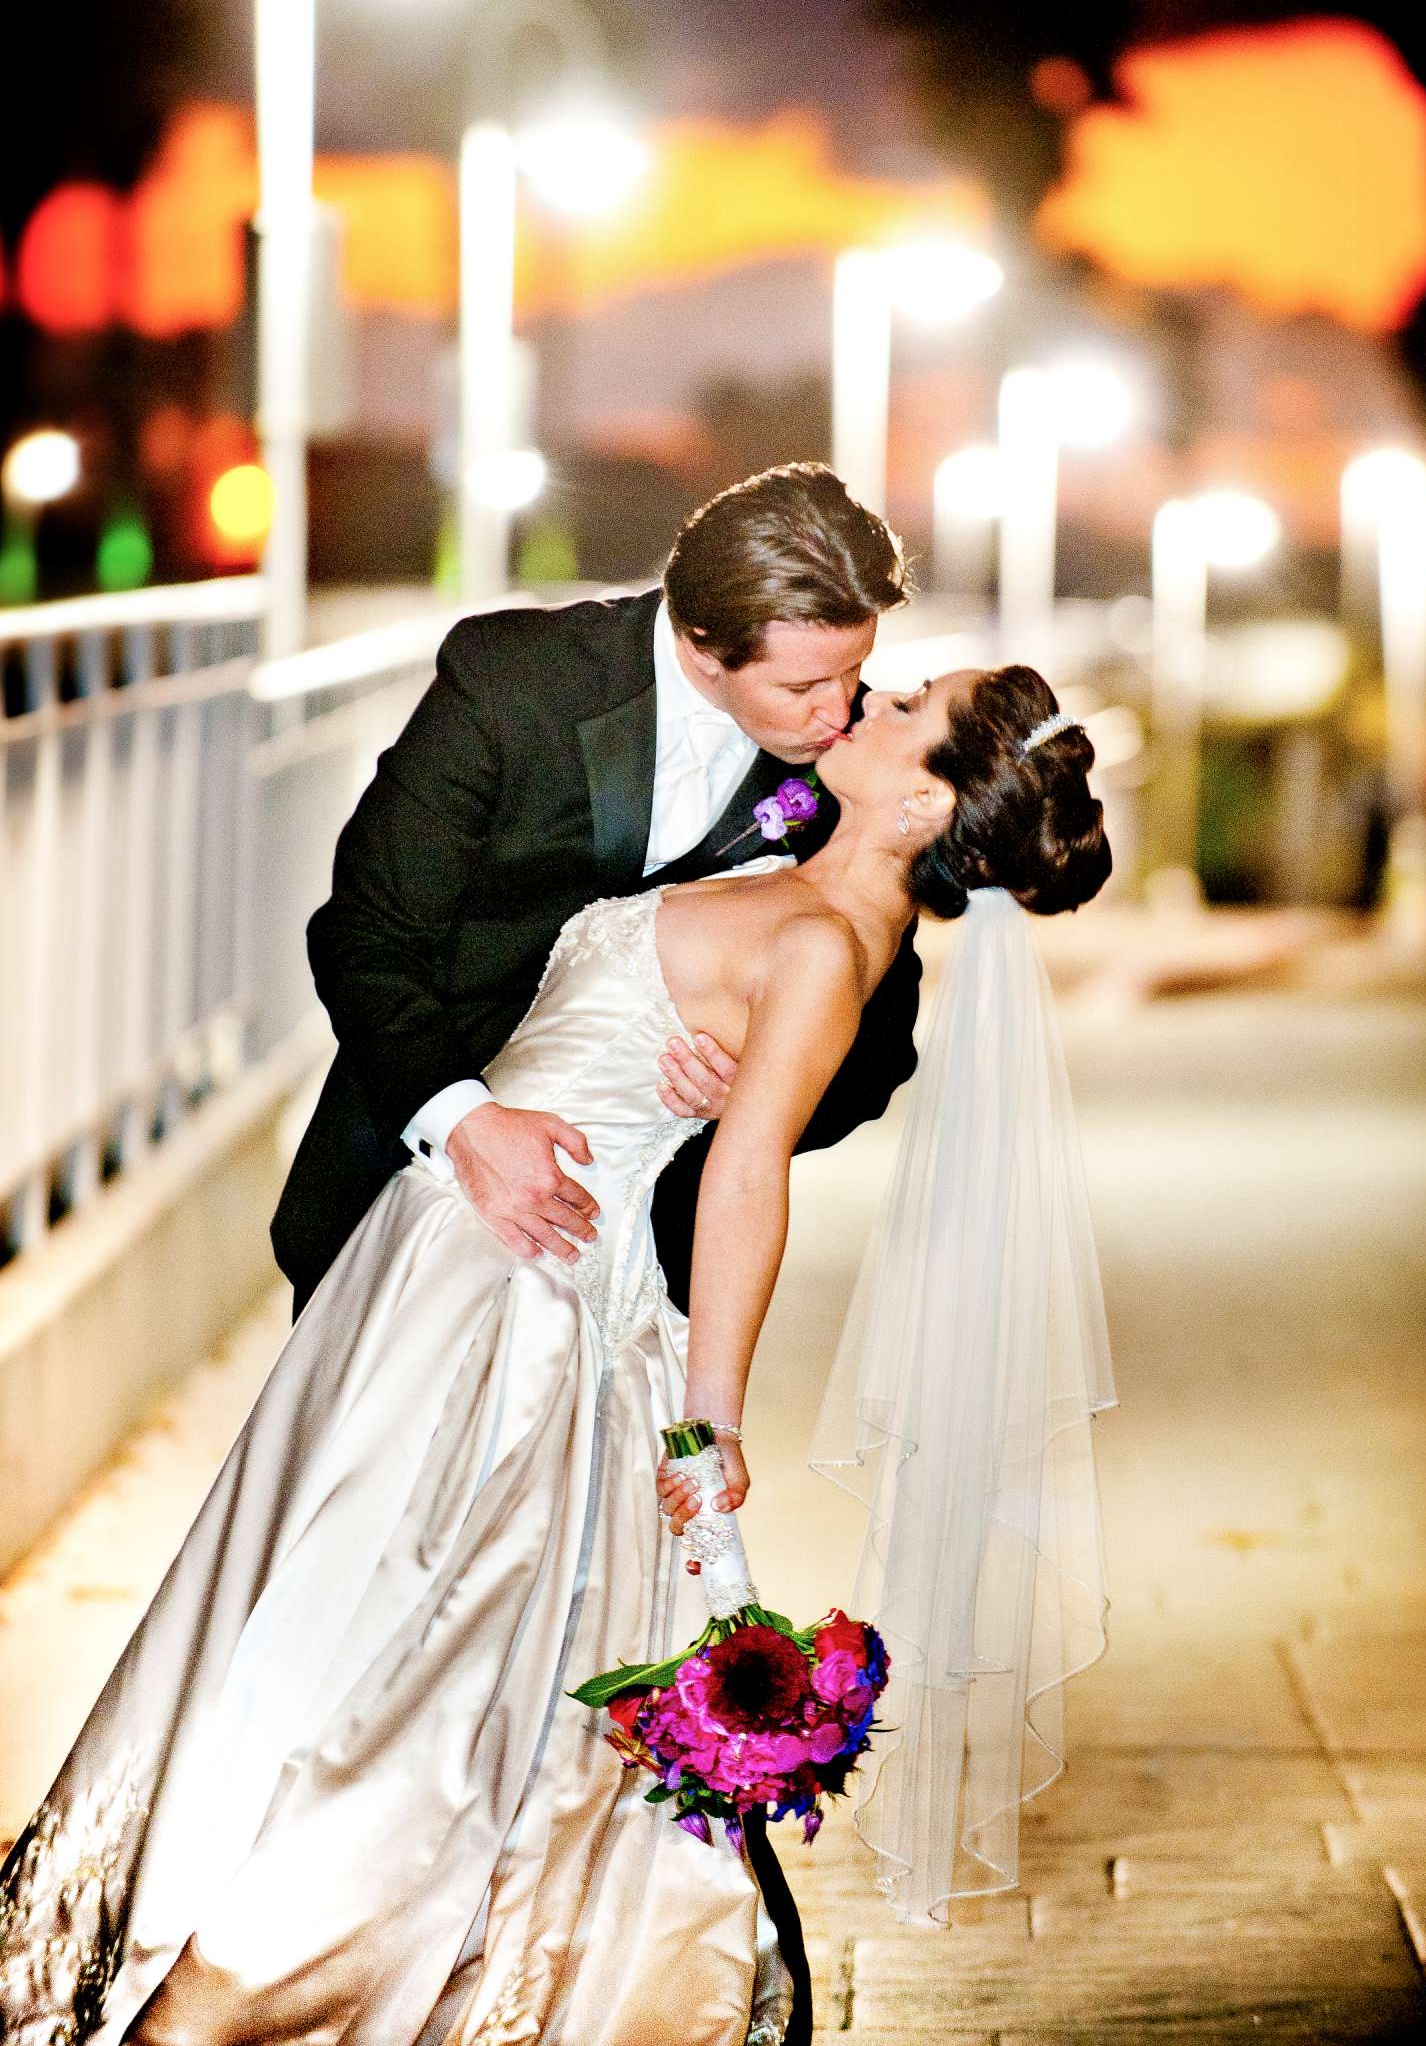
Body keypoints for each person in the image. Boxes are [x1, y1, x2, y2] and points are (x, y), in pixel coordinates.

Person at [0, 645, 1115, 2044]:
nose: (866, 703)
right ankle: (221, 1922)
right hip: (443, 1254)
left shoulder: (831, 946)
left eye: (903, 713)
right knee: (326, 1612)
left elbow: (749, 1176)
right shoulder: (803, 888)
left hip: (521, 1294)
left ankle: (281, 1976)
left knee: (405, 1651)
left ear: (920, 805)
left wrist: (711, 1415)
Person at [270, 462, 924, 1329]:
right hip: (412, 1185)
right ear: (700, 641)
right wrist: (465, 1123)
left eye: (856, 669)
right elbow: (366, 932)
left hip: (646, 1257)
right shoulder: (515, 683)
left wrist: (763, 1094)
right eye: (803, 687)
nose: (842, 711)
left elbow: (879, 1050)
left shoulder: (860, 765)